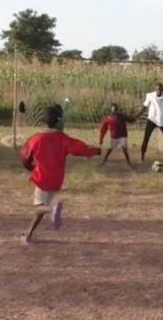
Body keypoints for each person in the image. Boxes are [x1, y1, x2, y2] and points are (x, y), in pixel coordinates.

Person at [19, 105, 101, 245]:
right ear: (59, 121)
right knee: (41, 209)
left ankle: (52, 209)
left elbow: (24, 157)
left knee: (39, 208)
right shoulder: (63, 139)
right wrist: (95, 151)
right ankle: (28, 235)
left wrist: (31, 168)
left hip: (42, 179)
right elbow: (81, 149)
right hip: (56, 180)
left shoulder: (36, 138)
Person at [138, 82, 163, 166]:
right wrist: (137, 115)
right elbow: (144, 107)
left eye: (160, 89)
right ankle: (142, 158)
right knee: (146, 137)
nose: (159, 91)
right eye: (157, 89)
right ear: (155, 89)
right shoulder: (150, 96)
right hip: (152, 119)